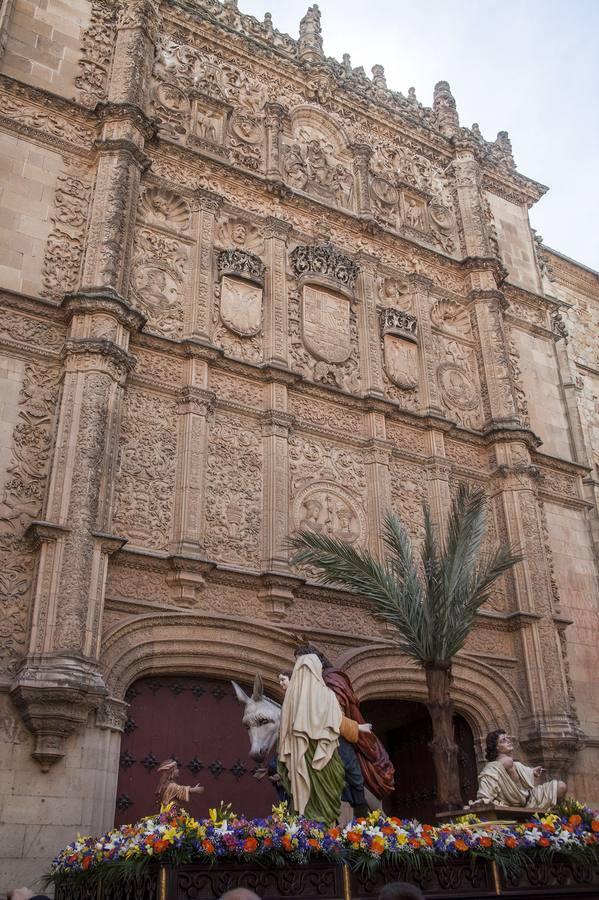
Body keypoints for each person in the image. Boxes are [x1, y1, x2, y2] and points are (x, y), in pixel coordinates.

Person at [277, 650, 370, 823]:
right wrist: (357, 727)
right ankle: (327, 824)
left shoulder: (290, 699)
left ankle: (311, 826)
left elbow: (284, 735)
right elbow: (336, 721)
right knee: (340, 779)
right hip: (324, 759)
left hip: (301, 760)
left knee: (349, 770)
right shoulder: (325, 695)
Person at [476, 730, 567, 810]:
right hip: (510, 805)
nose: (508, 741)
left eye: (508, 738)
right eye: (503, 740)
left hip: (531, 799)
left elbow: (525, 773)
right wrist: (484, 799)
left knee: (560, 786)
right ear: (496, 747)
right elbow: (486, 788)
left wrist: (533, 771)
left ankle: (560, 814)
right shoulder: (493, 767)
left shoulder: (516, 764)